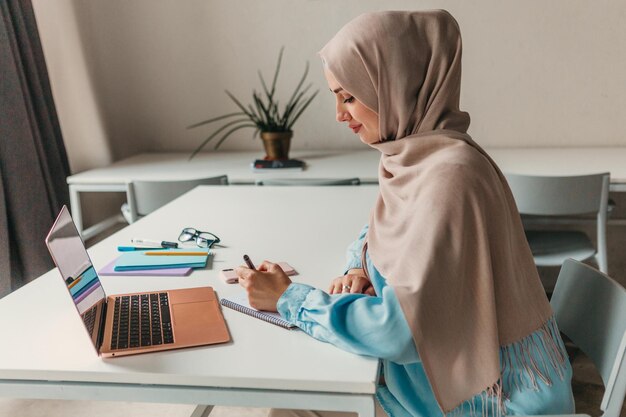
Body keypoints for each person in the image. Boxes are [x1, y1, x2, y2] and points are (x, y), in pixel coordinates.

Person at [235, 10, 575, 417]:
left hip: (494, 399)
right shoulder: (422, 156)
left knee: (290, 407)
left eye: (349, 96)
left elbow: (401, 332)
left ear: (394, 86)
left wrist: (290, 299)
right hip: (472, 376)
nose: (340, 115)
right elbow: (379, 233)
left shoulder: (448, 178)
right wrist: (359, 269)